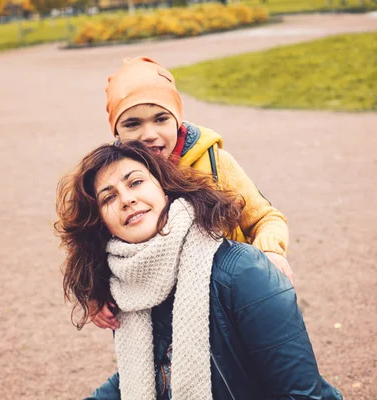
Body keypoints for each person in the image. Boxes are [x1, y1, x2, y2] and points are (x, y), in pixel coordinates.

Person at [55, 141, 342, 400]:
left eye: (136, 182)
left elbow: (301, 394)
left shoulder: (243, 272)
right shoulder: (127, 286)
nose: (126, 200)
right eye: (108, 198)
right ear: (101, 223)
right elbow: (149, 372)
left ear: (164, 188)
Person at [92, 56, 293, 330]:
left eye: (161, 119)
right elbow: (93, 241)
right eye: (132, 124)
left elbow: (265, 218)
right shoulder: (113, 180)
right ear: (116, 130)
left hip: (232, 300)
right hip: (166, 320)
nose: (149, 134)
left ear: (177, 119)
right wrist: (95, 289)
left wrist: (270, 252)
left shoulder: (215, 163)